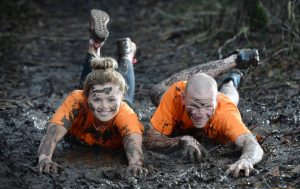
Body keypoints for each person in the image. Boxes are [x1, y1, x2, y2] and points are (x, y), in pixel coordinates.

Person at [37, 9, 148, 177]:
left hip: (120, 105)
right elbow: (52, 132)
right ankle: (99, 47)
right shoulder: (77, 99)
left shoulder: (125, 113)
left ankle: (124, 52)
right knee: (91, 82)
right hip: (79, 133)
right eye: (96, 99)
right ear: (86, 97)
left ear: (120, 100)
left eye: (111, 99)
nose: (104, 107)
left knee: (126, 98)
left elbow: (134, 145)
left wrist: (135, 164)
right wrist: (45, 159)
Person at [145, 50, 264, 178]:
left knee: (230, 100)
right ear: (184, 98)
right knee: (157, 90)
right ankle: (231, 62)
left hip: (222, 104)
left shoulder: (224, 112)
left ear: (216, 101)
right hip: (193, 93)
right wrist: (182, 140)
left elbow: (251, 143)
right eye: (195, 106)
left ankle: (231, 80)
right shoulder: (176, 95)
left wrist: (247, 160)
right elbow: (150, 141)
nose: (200, 114)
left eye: (207, 106)